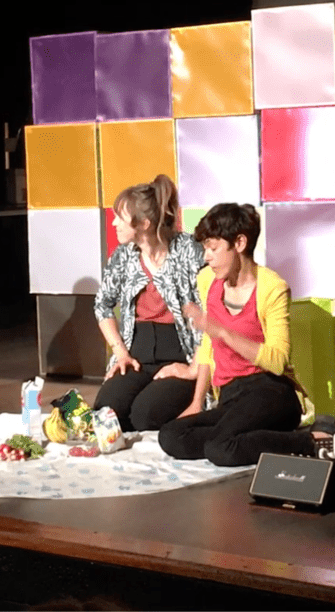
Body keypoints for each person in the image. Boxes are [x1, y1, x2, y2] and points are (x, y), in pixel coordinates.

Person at [158, 203, 316, 467]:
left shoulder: (272, 288)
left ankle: (310, 442)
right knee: (171, 435)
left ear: (240, 243)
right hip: (231, 396)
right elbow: (208, 344)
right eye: (205, 248)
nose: (206, 256)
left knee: (221, 448)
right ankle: (255, 438)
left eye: (213, 248)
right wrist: (197, 401)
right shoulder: (207, 280)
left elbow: (278, 360)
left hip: (270, 391)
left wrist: (223, 332)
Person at [93, 174, 206, 432]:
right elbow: (102, 305)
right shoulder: (123, 255)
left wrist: (192, 368)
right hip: (137, 353)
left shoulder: (189, 251)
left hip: (180, 354)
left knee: (145, 415)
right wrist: (120, 353)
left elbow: (209, 313)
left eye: (120, 217)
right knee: (106, 413)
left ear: (143, 224)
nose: (113, 223)